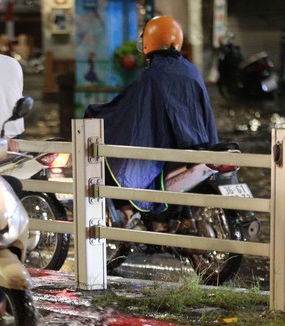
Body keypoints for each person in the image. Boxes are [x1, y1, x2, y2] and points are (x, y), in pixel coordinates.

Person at [84, 15, 218, 220]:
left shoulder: (153, 75)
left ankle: (127, 211)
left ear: (148, 42)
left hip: (172, 151)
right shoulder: (191, 71)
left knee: (116, 159)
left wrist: (97, 112)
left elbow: (127, 110)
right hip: (197, 146)